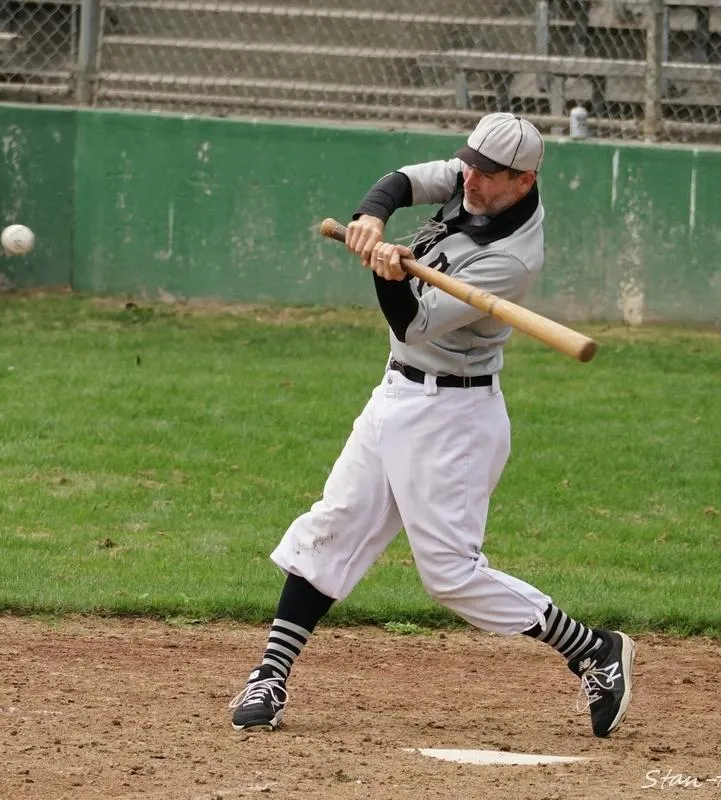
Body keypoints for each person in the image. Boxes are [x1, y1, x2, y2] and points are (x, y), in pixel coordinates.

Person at [228, 112, 635, 739]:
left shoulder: (512, 258)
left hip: (455, 417)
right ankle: (270, 676)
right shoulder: (470, 176)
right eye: (469, 163)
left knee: (450, 576)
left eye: (489, 174)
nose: (470, 179)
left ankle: (592, 650)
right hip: (396, 392)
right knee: (334, 525)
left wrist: (386, 272)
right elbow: (399, 181)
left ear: (523, 181)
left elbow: (412, 323)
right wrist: (371, 220)